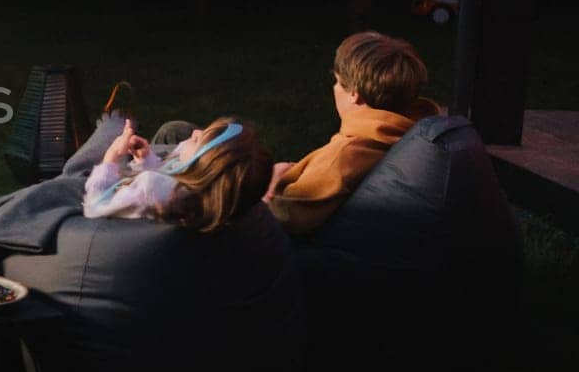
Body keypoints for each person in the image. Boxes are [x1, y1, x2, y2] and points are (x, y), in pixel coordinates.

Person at [264, 31, 440, 236]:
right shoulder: (415, 131)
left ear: (354, 93)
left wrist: (269, 189)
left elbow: (285, 219)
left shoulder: (346, 155)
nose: (334, 87)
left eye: (338, 81)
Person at [83, 117, 273, 231]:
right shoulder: (205, 201)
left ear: (202, 167)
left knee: (109, 127)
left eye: (199, 140)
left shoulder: (150, 187)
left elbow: (95, 207)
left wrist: (110, 158)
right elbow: (171, 180)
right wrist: (146, 161)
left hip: (92, 212)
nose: (196, 131)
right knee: (173, 129)